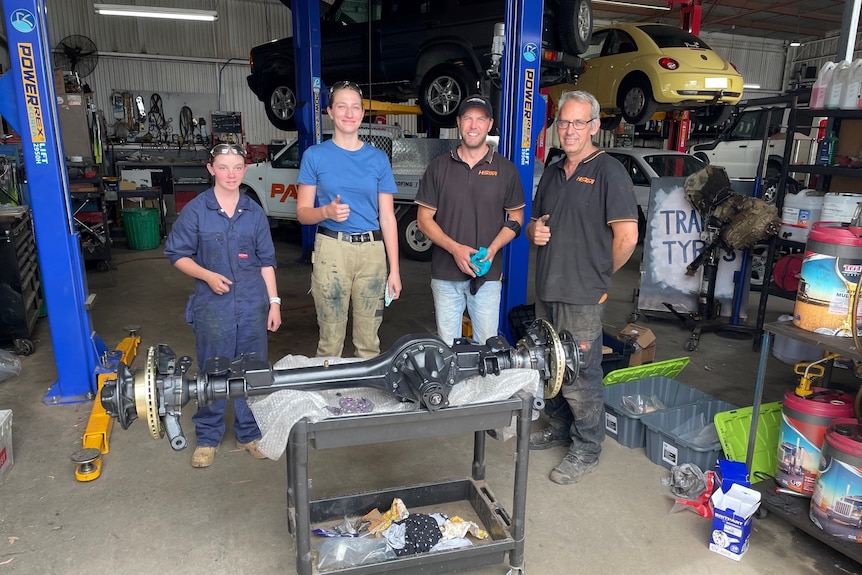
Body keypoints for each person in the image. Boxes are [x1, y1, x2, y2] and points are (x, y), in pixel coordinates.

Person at [526, 90, 639, 485]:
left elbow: (626, 236)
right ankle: (558, 427)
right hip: (549, 288)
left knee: (580, 372)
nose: (569, 130)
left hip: (583, 293)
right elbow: (535, 222)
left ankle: (587, 447)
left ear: (594, 127)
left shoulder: (610, 172)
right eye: (564, 122)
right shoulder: (555, 171)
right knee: (550, 365)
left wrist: (600, 278)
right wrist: (533, 230)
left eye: (578, 122)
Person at [164, 143, 282, 469]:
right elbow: (177, 254)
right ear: (211, 169)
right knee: (213, 370)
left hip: (252, 304)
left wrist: (274, 303)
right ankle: (208, 436)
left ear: (244, 170)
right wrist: (206, 275)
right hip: (213, 307)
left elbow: (266, 262)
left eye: (237, 167)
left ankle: (248, 433)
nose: (231, 174)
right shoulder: (197, 210)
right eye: (223, 167)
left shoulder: (254, 213)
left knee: (252, 371)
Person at [296, 80, 402, 358]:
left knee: (369, 341)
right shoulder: (315, 156)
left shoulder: (378, 159)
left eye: (355, 107)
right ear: (330, 112)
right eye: (341, 106)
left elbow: (388, 218)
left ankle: (365, 398)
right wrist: (326, 212)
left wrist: (395, 269)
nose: (349, 113)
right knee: (330, 338)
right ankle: (328, 397)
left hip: (372, 253)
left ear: (362, 113)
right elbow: (303, 213)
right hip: (332, 250)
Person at [415, 95, 525, 345]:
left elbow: (517, 217)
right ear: (458, 122)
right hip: (445, 276)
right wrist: (455, 249)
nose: (473, 126)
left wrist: (494, 248)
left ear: (490, 124)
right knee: (446, 349)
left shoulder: (506, 170)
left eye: (480, 119)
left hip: (487, 277)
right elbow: (423, 219)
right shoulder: (438, 167)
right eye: (468, 119)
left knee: (487, 348)